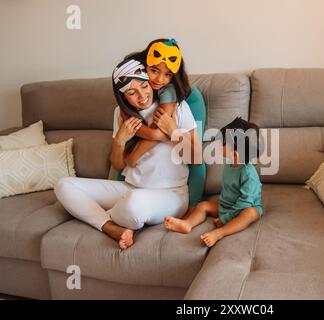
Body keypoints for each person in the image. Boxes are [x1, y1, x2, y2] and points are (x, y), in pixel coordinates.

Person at [54, 58, 200, 249]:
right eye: (132, 92)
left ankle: (97, 215)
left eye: (144, 86)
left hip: (171, 194)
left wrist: (173, 131)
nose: (142, 96)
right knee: (64, 185)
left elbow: (196, 159)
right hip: (130, 186)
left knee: (133, 204)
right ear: (123, 98)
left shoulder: (178, 107)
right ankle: (110, 227)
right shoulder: (120, 114)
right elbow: (119, 165)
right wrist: (120, 140)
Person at [121, 38, 207, 211]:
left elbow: (160, 125)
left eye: (167, 74)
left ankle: (194, 204)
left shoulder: (170, 91)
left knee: (193, 148)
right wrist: (154, 136)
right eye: (154, 70)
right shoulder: (134, 83)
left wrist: (168, 131)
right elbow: (125, 114)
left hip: (189, 99)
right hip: (139, 179)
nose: (159, 79)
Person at [164, 117, 263, 247]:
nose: (219, 145)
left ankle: (220, 233)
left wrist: (225, 219)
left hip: (244, 207)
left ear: (235, 154)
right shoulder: (230, 164)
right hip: (227, 204)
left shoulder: (248, 175)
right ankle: (187, 224)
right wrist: (223, 207)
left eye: (222, 144)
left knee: (249, 213)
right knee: (203, 206)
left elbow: (245, 202)